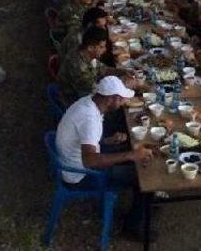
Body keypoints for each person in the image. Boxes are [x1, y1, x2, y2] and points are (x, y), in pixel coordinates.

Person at [55, 76, 153, 239]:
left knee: (131, 155)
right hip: (82, 175)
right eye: (121, 99)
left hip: (75, 161)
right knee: (146, 178)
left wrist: (108, 141)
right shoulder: (90, 118)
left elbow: (86, 140)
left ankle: (143, 204)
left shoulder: (89, 102)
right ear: (111, 99)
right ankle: (133, 226)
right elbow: (90, 161)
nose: (122, 103)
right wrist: (130, 155)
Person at [58, 27, 138, 106]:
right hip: (75, 100)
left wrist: (123, 71)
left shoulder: (88, 55)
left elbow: (104, 70)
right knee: (118, 104)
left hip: (89, 91)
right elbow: (96, 90)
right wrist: (123, 84)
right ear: (90, 48)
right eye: (101, 47)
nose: (105, 50)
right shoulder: (77, 65)